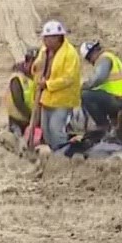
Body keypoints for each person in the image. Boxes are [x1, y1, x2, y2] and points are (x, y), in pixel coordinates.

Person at [31, 19, 83, 153]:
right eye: (45, 38)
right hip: (47, 99)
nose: (45, 41)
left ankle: (63, 154)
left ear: (58, 38)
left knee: (56, 129)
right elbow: (37, 67)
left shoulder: (70, 54)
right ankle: (54, 152)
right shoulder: (45, 51)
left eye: (48, 38)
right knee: (46, 131)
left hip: (62, 99)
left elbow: (68, 78)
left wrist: (48, 84)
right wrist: (36, 69)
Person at [79, 39, 122, 136]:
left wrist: (84, 86)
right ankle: (113, 124)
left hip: (117, 99)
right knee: (96, 96)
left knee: (86, 95)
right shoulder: (110, 57)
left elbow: (99, 78)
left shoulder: (104, 59)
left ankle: (103, 126)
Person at [4, 45, 38, 148]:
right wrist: (31, 116)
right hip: (18, 119)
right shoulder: (17, 78)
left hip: (31, 120)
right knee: (17, 143)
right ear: (28, 62)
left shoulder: (37, 78)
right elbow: (18, 101)